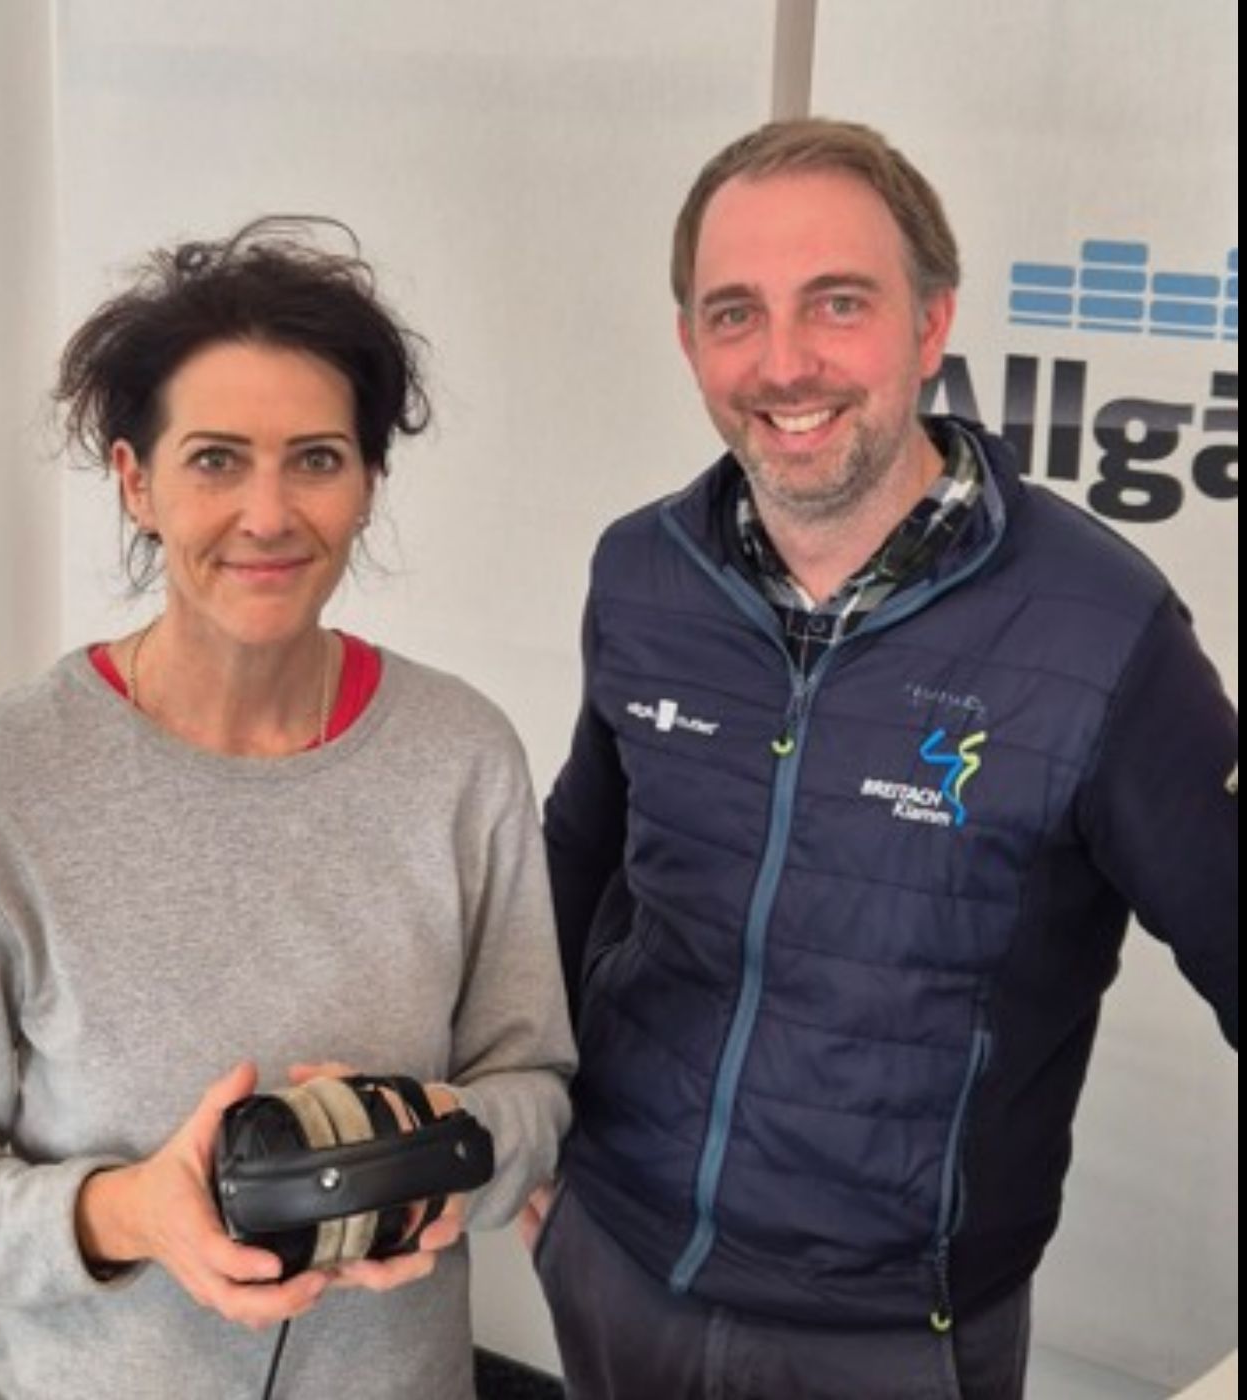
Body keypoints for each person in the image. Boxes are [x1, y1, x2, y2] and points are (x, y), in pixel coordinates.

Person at [530, 118, 1238, 1400]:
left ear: (928, 323)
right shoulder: (640, 571)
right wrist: (531, 1145)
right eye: (732, 312)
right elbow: (577, 863)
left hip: (886, 1338)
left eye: (836, 303)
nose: (783, 360)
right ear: (688, 339)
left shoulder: (1099, 630)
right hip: (611, 1256)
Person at [0, 216, 575, 1400]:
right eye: (215, 458)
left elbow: (534, 1088)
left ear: (368, 483)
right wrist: (129, 1211)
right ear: (136, 481)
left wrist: (447, 1143)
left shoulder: (461, 757)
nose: (269, 513)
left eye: (318, 458)